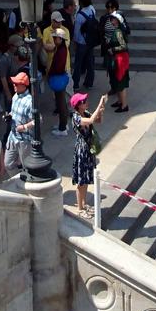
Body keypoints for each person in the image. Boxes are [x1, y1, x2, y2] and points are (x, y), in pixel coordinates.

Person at [68, 91, 105, 221]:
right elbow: (90, 120)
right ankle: (80, 208)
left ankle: (84, 204)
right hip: (81, 150)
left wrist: (100, 110)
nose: (86, 102)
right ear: (78, 105)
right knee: (81, 181)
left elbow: (98, 120)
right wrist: (99, 104)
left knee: (87, 178)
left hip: (88, 150)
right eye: (83, 101)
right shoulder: (76, 117)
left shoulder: (86, 112)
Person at [43, 12, 73, 135]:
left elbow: (58, 67)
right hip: (59, 77)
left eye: (56, 38)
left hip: (58, 78)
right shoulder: (60, 49)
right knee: (61, 103)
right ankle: (63, 125)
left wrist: (50, 74)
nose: (54, 39)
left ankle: (62, 128)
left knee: (61, 103)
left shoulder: (60, 51)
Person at [6, 71, 37, 176]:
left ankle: (27, 184)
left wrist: (24, 127)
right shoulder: (15, 96)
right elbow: (14, 112)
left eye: (16, 83)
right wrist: (9, 115)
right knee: (8, 164)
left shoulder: (30, 102)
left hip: (24, 140)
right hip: (12, 137)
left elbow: (37, 120)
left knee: (27, 166)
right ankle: (18, 181)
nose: (14, 85)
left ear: (23, 85)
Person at [104, 0, 132, 112]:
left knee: (121, 82)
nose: (111, 20)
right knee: (118, 81)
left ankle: (124, 105)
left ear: (117, 21)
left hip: (120, 59)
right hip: (118, 58)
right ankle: (120, 101)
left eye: (113, 19)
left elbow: (123, 46)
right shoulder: (118, 30)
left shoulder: (119, 32)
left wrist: (113, 49)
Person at [72, 0, 100, 91]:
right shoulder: (92, 9)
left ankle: (75, 84)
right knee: (90, 62)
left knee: (78, 64)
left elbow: (76, 32)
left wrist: (75, 43)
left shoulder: (79, 15)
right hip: (90, 41)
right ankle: (89, 82)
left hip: (82, 42)